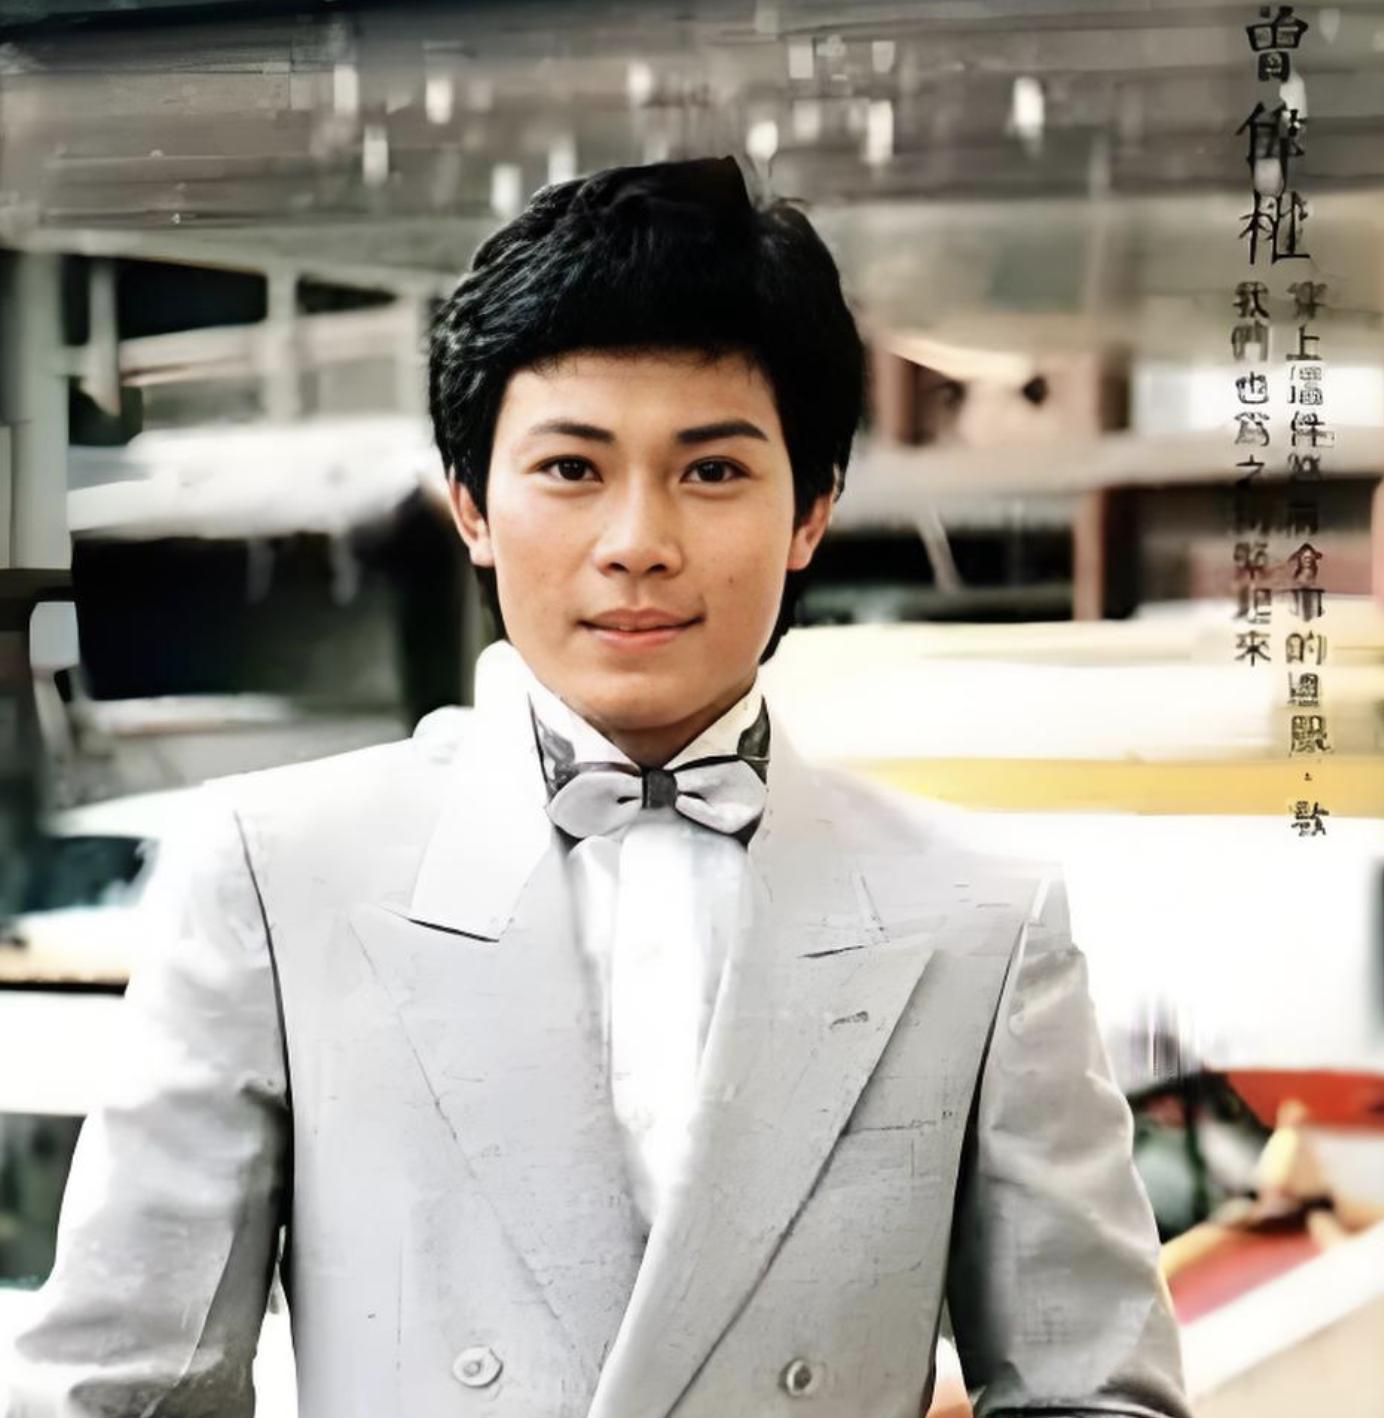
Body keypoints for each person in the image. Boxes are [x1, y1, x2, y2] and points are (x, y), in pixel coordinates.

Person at [5, 155, 1191, 1418]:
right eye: (572, 469)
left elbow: (1093, 1392)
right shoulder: (274, 873)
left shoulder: (981, 916)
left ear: (811, 511)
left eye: (712, 470)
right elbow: (120, 1390)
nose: (637, 542)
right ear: (470, 505)